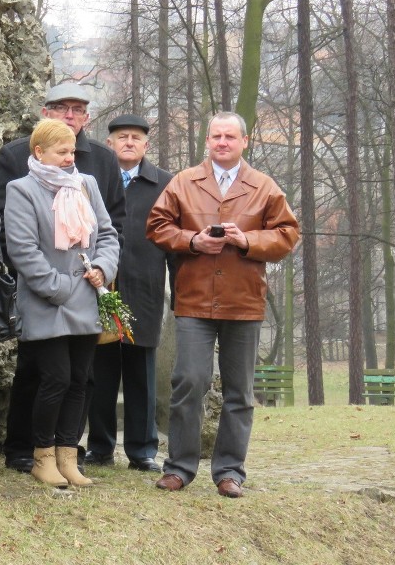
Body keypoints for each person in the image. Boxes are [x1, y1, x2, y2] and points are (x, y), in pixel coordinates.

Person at [146, 111, 299, 498]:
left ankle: (230, 471)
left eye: (230, 137)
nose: (223, 142)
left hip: (243, 301)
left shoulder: (263, 187)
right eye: (216, 136)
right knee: (188, 382)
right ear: (207, 141)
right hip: (194, 299)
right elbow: (157, 226)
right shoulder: (184, 182)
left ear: (244, 142)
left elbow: (287, 234)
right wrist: (192, 241)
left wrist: (246, 240)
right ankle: (179, 468)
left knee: (239, 392)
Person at [0, 83, 125, 473]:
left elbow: (108, 231)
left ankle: (69, 456)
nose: (71, 159)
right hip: (47, 297)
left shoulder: (87, 182)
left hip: (87, 294)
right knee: (53, 379)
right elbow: (21, 247)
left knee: (80, 380)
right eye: (63, 153)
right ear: (39, 152)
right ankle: (41, 455)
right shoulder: (21, 187)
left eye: (72, 152)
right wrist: (59, 287)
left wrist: (103, 269)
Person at [85, 114, 175, 472]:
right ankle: (101, 446)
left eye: (136, 138)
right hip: (100, 287)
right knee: (101, 371)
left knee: (142, 373)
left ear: (146, 145)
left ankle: (142, 450)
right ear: (109, 143)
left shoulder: (165, 184)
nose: (128, 143)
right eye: (121, 137)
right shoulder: (95, 181)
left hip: (145, 288)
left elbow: (174, 241)